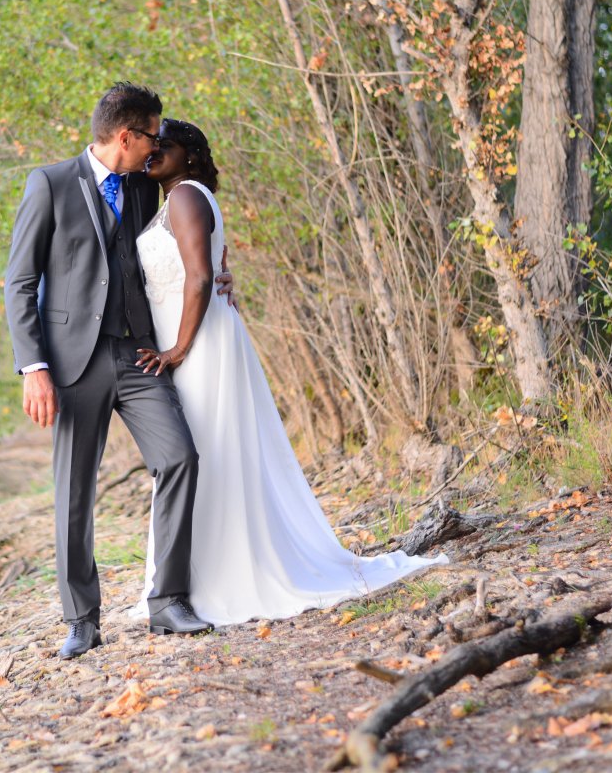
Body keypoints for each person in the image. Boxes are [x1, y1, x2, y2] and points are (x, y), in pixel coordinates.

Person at [133, 119, 447, 626]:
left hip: (197, 345)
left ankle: (218, 578)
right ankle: (187, 579)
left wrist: (177, 349)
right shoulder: (173, 201)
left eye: (161, 145)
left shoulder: (187, 197)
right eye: (148, 144)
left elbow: (198, 277)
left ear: (188, 154)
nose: (151, 152)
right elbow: (207, 266)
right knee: (201, 454)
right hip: (198, 336)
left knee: (208, 452)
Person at [4, 84, 234, 659]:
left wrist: (218, 275)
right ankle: (82, 620)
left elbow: (183, 241)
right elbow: (20, 282)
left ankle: (168, 602)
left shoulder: (142, 186)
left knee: (178, 457)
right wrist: (33, 367)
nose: (157, 146)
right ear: (126, 136)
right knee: (74, 492)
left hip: (137, 355)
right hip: (71, 366)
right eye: (151, 135)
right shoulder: (49, 184)